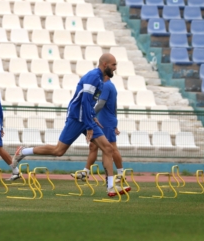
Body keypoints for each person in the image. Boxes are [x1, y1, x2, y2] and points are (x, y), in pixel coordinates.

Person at [12, 53, 124, 197]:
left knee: (108, 148)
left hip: (87, 118)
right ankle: (23, 151)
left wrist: (92, 118)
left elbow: (89, 104)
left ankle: (110, 187)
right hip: (77, 118)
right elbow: (84, 102)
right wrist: (89, 125)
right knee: (59, 151)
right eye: (113, 65)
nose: (115, 68)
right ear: (105, 65)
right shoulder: (93, 77)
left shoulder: (101, 81)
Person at [70, 74, 131, 193]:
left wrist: (90, 114)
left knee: (110, 148)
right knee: (93, 146)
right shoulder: (107, 86)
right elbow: (113, 107)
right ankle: (85, 172)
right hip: (104, 120)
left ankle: (120, 174)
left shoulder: (107, 86)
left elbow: (101, 104)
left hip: (106, 121)